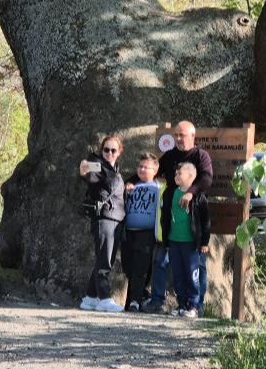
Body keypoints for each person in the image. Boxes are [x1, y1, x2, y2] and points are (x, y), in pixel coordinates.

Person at [142, 121, 214, 315]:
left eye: (182, 135)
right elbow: (153, 170)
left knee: (196, 267)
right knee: (168, 264)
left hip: (193, 225)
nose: (178, 139)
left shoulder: (201, 156)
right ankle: (175, 303)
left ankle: (196, 306)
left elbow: (207, 178)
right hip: (172, 224)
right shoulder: (171, 156)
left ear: (192, 136)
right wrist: (131, 182)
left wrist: (191, 193)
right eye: (176, 135)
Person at [78, 136, 125, 313]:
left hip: (117, 218)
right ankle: (104, 298)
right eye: (106, 150)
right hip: (105, 218)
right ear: (101, 150)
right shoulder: (99, 165)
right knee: (104, 260)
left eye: (113, 150)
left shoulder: (116, 169)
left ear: (119, 152)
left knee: (104, 259)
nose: (109, 153)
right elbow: (87, 173)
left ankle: (90, 298)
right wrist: (84, 168)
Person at [164, 162, 210, 318]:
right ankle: (182, 304)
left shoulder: (198, 197)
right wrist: (166, 240)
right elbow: (165, 217)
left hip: (191, 243)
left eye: (180, 173)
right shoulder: (171, 193)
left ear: (191, 176)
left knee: (192, 274)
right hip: (174, 241)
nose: (176, 176)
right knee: (178, 275)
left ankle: (194, 306)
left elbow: (205, 221)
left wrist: (204, 242)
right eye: (175, 174)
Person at [121, 153, 162, 311]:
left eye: (146, 167)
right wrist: (126, 189)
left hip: (146, 233)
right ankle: (140, 295)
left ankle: (134, 302)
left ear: (155, 170)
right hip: (128, 232)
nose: (142, 169)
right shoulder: (131, 185)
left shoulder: (158, 187)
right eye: (140, 166)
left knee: (140, 267)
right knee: (128, 266)